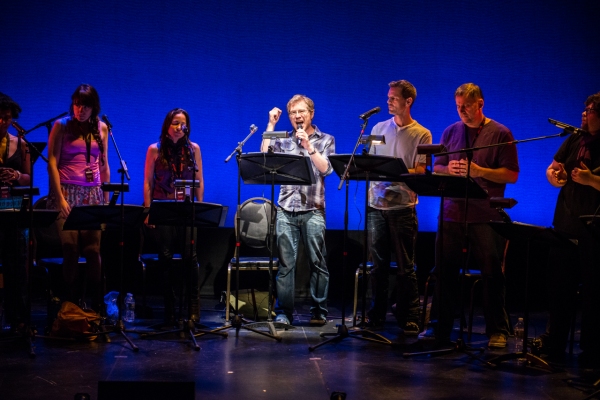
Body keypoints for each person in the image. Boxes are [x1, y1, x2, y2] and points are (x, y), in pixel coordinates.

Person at [419, 83, 519, 348]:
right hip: (452, 212)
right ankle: (439, 326)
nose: (462, 111)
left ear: (480, 104)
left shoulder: (500, 132)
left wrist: (479, 171)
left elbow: (511, 174)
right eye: (458, 106)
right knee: (444, 271)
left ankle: (497, 330)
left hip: (485, 215)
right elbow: (437, 166)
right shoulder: (451, 131)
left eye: (466, 106)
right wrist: (448, 169)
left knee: (491, 274)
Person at [260, 94, 335, 326]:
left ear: (311, 114)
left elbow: (327, 170)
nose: (297, 117)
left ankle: (319, 311)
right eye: (293, 113)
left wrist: (309, 147)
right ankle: (284, 312)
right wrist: (271, 125)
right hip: (286, 209)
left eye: (301, 112)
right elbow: (264, 155)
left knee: (317, 263)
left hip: (313, 209)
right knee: (286, 264)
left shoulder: (325, 139)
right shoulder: (283, 139)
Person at [365, 80, 432, 335]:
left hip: (403, 207)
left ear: (408, 101)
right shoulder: (379, 127)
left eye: (393, 98)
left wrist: (394, 171)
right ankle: (376, 314)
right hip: (377, 206)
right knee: (378, 266)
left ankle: (410, 315)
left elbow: (421, 170)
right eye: (388, 97)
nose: (389, 101)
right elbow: (370, 163)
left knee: (406, 266)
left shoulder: (421, 134)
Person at [543, 92, 600, 365]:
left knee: (593, 294)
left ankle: (590, 353)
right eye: (585, 108)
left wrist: (591, 180)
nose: (584, 113)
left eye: (590, 110)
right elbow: (552, 169)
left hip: (595, 229)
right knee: (559, 290)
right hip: (565, 224)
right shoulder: (575, 138)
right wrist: (556, 177)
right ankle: (555, 345)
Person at [47, 84, 110, 313]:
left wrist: (105, 198)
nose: (80, 109)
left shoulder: (101, 128)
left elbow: (104, 165)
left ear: (94, 107)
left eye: (85, 105)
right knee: (71, 249)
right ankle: (70, 303)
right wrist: (60, 198)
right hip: (66, 192)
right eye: (76, 103)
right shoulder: (61, 126)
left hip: (92, 194)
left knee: (93, 250)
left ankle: (96, 304)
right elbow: (52, 163)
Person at [143, 108, 204, 323]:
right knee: (165, 257)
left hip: (186, 207)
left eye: (183, 124)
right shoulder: (155, 150)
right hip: (163, 207)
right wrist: (149, 210)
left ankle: (193, 307)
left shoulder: (193, 149)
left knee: (190, 257)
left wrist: (199, 207)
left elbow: (199, 180)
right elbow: (148, 183)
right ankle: (169, 307)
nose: (179, 127)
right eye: (175, 123)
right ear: (167, 125)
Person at [0, 93, 31, 332]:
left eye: (7, 118)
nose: (3, 122)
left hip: (10, 206)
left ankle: (18, 317)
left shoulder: (20, 143)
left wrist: (17, 176)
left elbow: (28, 177)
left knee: (16, 263)